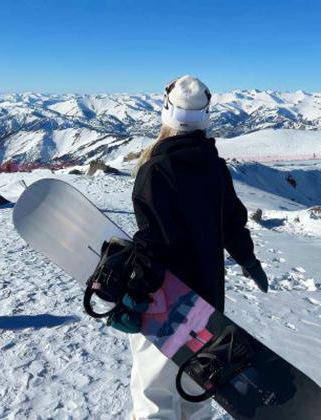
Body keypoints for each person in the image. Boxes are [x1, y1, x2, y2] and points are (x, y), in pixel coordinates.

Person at [111, 75, 268, 420]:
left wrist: (134, 288)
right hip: (206, 304)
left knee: (156, 397)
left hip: (163, 303)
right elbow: (232, 222)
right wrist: (247, 258)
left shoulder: (155, 169)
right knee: (197, 394)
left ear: (167, 112)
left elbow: (155, 240)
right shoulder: (214, 168)